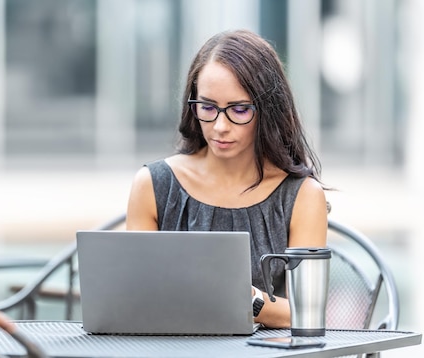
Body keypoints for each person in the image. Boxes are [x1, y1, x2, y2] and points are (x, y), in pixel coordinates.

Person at [125, 29, 328, 329]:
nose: (220, 126)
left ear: (267, 111)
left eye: (239, 109)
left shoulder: (302, 196)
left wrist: (242, 297)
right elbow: (132, 298)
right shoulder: (152, 185)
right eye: (207, 107)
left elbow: (307, 314)